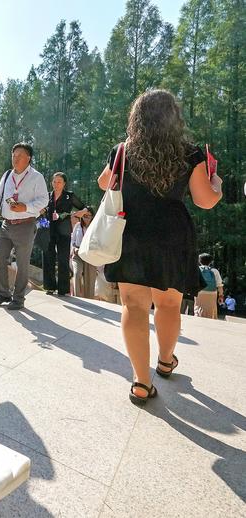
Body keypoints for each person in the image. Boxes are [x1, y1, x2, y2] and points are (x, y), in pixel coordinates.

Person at [98, 90, 222, 405]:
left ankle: (141, 382)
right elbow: (205, 201)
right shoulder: (190, 153)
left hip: (132, 233)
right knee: (168, 305)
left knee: (134, 306)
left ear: (137, 118)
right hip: (172, 236)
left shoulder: (123, 150)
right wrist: (217, 186)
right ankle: (166, 361)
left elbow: (103, 183)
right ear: (174, 118)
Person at [0, 143, 49, 310]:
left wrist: (26, 207)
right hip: (6, 224)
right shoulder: (7, 175)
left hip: (25, 224)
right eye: (13, 155)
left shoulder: (36, 177)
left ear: (28, 158)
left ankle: (18, 298)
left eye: (19, 156)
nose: (15, 159)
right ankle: (3, 294)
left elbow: (44, 200)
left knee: (22, 263)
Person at [42, 172, 89, 296]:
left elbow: (84, 207)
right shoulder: (47, 196)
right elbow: (40, 210)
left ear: (64, 184)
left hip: (64, 231)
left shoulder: (69, 196)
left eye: (59, 182)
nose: (56, 184)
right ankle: (49, 287)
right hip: (48, 230)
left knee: (63, 258)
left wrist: (80, 213)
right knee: (48, 257)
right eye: (54, 181)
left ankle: (63, 289)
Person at [70, 207, 96, 298]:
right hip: (77, 254)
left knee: (90, 280)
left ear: (92, 217)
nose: (86, 218)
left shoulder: (95, 227)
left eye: (89, 216)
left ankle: (89, 300)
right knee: (77, 273)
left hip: (90, 255)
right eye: (84, 216)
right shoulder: (77, 225)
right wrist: (73, 249)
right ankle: (77, 298)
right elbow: (72, 240)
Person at [194, 253, 224, 319]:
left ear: (199, 261)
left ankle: (198, 320)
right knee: (211, 309)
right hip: (212, 292)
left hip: (200, 292)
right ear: (211, 262)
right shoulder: (215, 271)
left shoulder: (196, 269)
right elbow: (220, 285)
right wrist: (221, 296)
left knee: (198, 307)